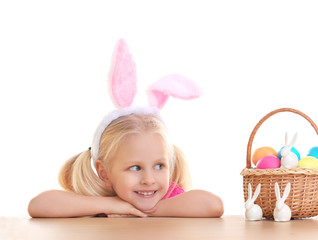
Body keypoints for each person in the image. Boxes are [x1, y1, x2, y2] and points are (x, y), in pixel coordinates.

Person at [28, 39, 224, 218]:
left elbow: (213, 205)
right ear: (104, 173)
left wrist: (140, 210)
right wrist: (112, 205)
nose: (149, 179)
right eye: (135, 168)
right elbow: (38, 205)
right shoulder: (97, 197)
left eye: (159, 166)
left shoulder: (169, 197)